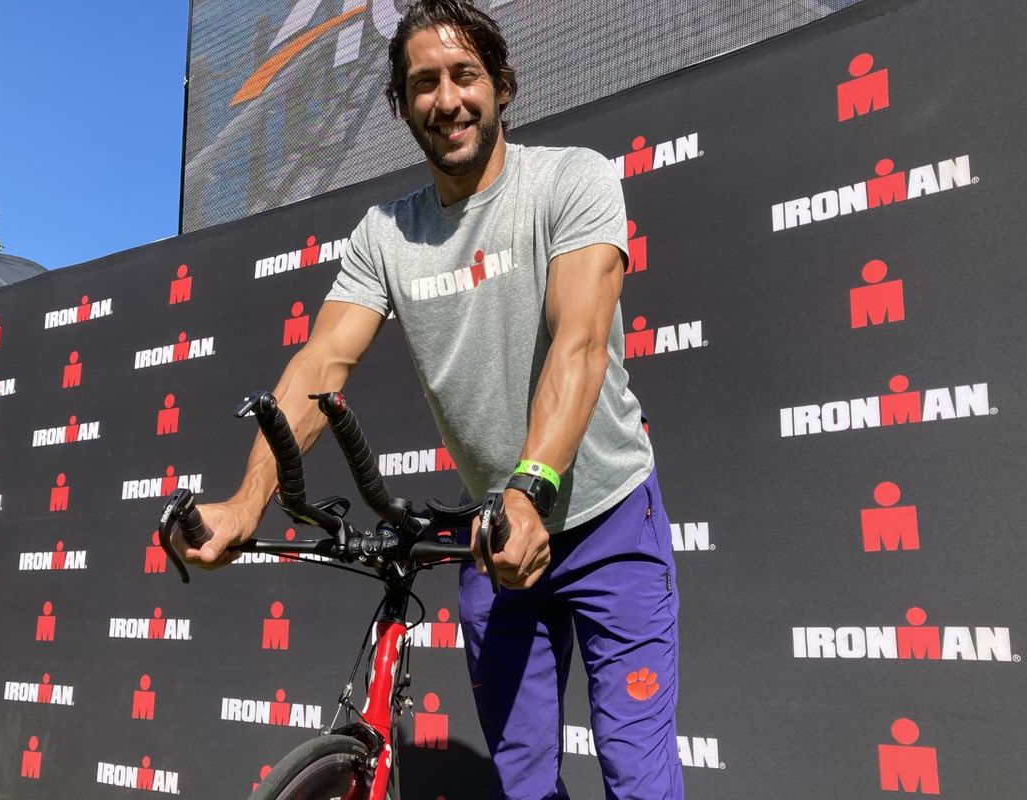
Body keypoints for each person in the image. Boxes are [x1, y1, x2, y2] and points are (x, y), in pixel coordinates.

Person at [178, 1, 681, 797]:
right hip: (492, 534)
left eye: (464, 75)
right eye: (423, 83)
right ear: (403, 104)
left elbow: (579, 345)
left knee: (638, 777)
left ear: (502, 87)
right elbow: (321, 362)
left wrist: (530, 488)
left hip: (607, 518)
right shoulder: (386, 233)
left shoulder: (572, 179)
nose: (446, 100)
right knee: (521, 784)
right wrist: (246, 504)